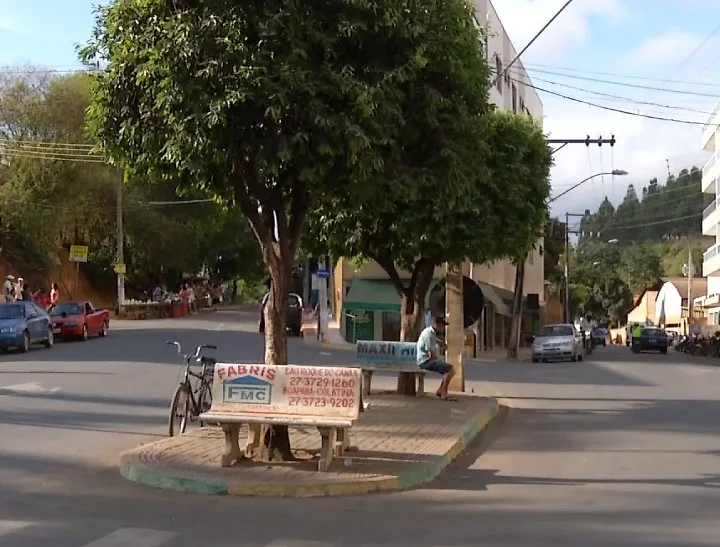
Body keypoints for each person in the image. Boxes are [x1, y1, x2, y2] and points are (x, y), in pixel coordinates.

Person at [416, 316, 456, 401]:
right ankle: (444, 393)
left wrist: (441, 343)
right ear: (436, 325)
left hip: (426, 360)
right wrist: (439, 360)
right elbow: (431, 354)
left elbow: (435, 340)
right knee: (450, 369)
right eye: (442, 326)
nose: (443, 328)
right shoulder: (428, 334)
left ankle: (440, 390)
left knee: (449, 369)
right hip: (425, 361)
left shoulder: (432, 333)